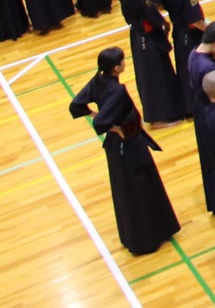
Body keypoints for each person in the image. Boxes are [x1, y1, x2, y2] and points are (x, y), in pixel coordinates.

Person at [70, 46, 182, 255]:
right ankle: (147, 239)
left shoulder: (98, 79)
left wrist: (95, 114)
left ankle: (137, 235)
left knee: (126, 190)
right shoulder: (116, 91)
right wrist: (111, 125)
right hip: (129, 145)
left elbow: (76, 105)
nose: (124, 62)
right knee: (140, 189)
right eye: (122, 61)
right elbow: (101, 123)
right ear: (116, 68)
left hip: (116, 146)